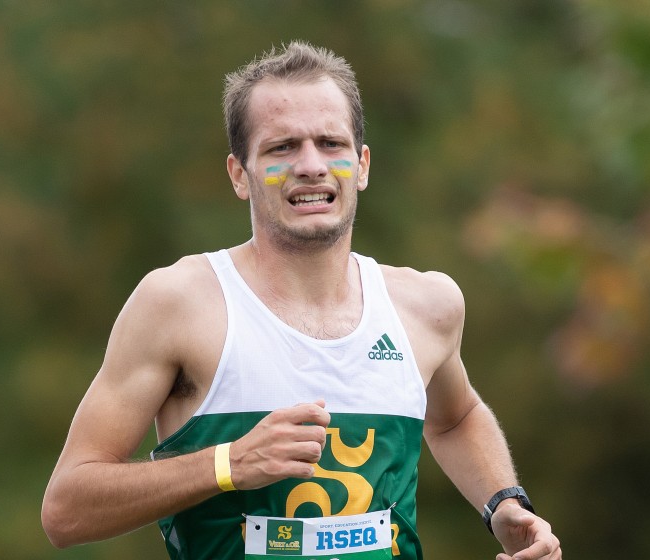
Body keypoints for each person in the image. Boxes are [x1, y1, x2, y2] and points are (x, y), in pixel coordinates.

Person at [41, 40, 562, 560]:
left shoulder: (427, 306)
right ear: (240, 174)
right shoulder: (178, 303)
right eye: (282, 147)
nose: (311, 165)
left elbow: (455, 417)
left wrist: (503, 504)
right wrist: (228, 464)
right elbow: (66, 510)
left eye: (330, 143)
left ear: (361, 165)